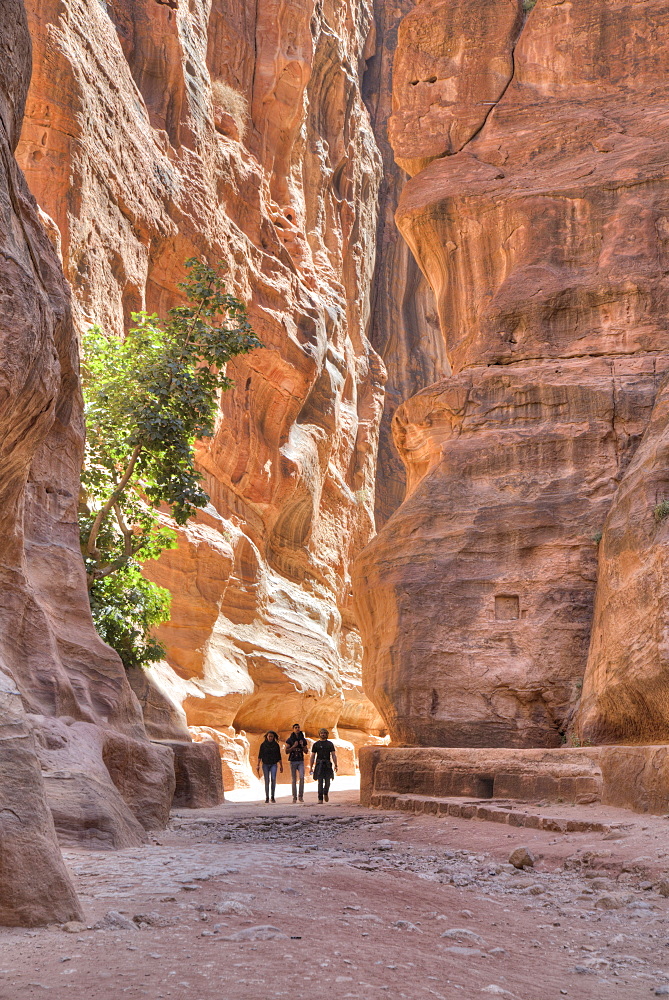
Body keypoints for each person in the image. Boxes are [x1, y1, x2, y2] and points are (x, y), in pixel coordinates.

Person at [309, 728, 338, 803]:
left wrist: (336, 765)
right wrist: (311, 767)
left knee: (328, 781)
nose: (323, 734)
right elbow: (312, 756)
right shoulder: (316, 744)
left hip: (327, 764)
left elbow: (333, 755)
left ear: (327, 734)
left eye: (324, 733)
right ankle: (320, 798)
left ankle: (325, 792)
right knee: (320, 782)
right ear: (319, 734)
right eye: (321, 733)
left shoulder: (330, 744)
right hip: (319, 765)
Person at [284, 723, 309, 803]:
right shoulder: (290, 739)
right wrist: (293, 746)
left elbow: (306, 751)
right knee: (294, 779)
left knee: (302, 778)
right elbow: (286, 751)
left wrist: (302, 745)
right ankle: (294, 797)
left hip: (300, 760)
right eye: (295, 727)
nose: (297, 729)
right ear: (293, 729)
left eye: (298, 727)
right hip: (293, 760)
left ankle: (300, 796)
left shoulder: (303, 739)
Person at [257, 731, 283, 803]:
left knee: (273, 779)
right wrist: (258, 764)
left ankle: (272, 796)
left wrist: (281, 765)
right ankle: (267, 797)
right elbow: (260, 755)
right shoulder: (263, 745)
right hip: (265, 764)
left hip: (274, 764)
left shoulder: (276, 745)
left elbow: (279, 756)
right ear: (267, 737)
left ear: (274, 737)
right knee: (267, 780)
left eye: (272, 736)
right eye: (269, 736)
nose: (270, 738)